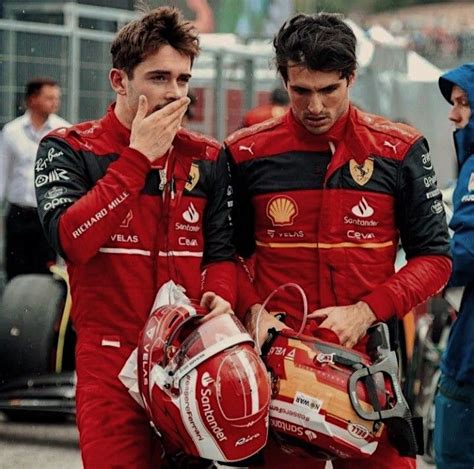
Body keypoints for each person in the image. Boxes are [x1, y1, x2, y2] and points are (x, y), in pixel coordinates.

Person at [226, 13, 452, 469]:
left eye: (329, 90)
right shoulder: (245, 152)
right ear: (284, 79)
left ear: (351, 77)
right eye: (301, 90)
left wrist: (367, 311)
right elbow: (223, 255)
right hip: (278, 367)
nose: (315, 106)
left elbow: (435, 259)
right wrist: (252, 310)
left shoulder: (400, 150)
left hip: (369, 366)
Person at [35, 6, 236, 468]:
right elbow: (72, 242)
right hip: (109, 366)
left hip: (188, 364)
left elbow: (222, 254)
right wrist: (136, 158)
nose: (173, 94)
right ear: (119, 81)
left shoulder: (207, 156)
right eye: (158, 77)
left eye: (183, 80)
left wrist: (220, 294)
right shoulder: (69, 149)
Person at [435, 62, 474, 469]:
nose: (452, 113)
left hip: (469, 359)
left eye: (464, 103)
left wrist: (425, 262)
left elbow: (466, 252)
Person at [0, 78, 69, 280]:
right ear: (32, 100)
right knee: (15, 269)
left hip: (47, 214)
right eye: (49, 97)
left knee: (45, 272)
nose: (54, 102)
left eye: (57, 98)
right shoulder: (12, 132)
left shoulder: (63, 131)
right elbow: (3, 172)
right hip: (18, 214)